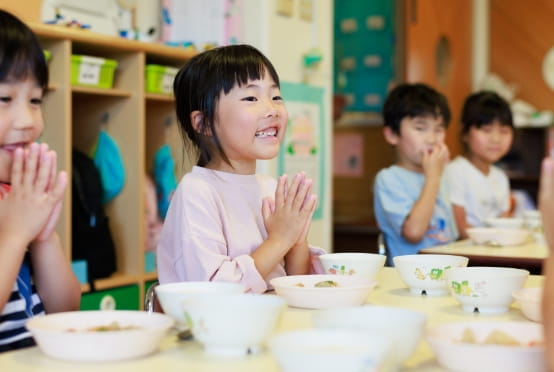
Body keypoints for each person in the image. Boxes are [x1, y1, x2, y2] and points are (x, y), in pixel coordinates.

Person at [157, 44, 320, 293]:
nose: (272, 109)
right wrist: (280, 239)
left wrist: (296, 240)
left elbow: (295, 283)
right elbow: (214, 293)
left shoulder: (269, 187)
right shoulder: (197, 192)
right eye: (251, 98)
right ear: (204, 123)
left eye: (276, 97)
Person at [0, 9, 80, 352]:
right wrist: (16, 235)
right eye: (4, 98)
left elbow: (65, 311)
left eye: (35, 100)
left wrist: (45, 238)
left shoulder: (17, 197)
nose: (28, 120)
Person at [373, 83, 458, 262]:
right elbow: (414, 232)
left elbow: (453, 235)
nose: (432, 139)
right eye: (420, 128)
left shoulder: (442, 174)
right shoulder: (388, 179)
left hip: (447, 270)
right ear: (392, 135)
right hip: (411, 277)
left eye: (439, 129)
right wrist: (433, 177)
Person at [444, 91, 514, 238]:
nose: (496, 139)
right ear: (464, 133)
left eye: (504, 131)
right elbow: (461, 229)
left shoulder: (501, 177)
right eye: (486, 130)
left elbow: (505, 223)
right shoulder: (455, 172)